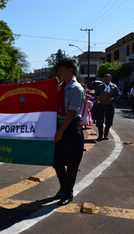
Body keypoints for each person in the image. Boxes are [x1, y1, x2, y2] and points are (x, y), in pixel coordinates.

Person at [53, 58, 85, 206]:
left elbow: (71, 113)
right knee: (56, 161)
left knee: (72, 163)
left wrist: (60, 132)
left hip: (71, 127)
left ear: (70, 71)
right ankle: (63, 186)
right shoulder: (61, 86)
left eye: (61, 70)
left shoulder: (76, 89)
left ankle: (68, 192)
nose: (58, 73)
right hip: (60, 125)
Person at [95, 74, 120, 141]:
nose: (107, 80)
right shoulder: (100, 86)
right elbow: (96, 94)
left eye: (108, 79)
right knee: (100, 119)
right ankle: (100, 135)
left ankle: (106, 134)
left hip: (110, 104)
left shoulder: (114, 87)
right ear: (104, 79)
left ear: (110, 79)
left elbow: (118, 95)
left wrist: (112, 99)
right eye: (105, 79)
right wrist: (97, 98)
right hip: (101, 104)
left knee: (109, 119)